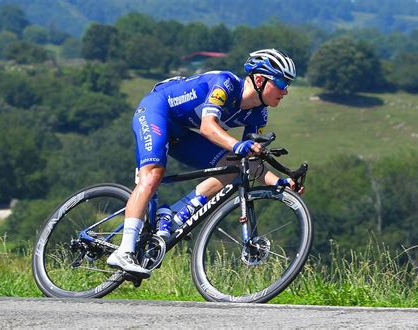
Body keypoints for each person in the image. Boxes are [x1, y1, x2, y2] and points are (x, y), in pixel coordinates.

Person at [107, 48, 300, 277]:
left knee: (235, 165)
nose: (285, 91)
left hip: (183, 131)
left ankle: (176, 214)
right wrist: (238, 145)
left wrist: (279, 182)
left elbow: (249, 161)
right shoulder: (225, 84)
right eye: (281, 82)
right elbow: (209, 127)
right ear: (259, 79)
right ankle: (124, 250)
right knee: (153, 176)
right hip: (156, 111)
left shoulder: (259, 115)